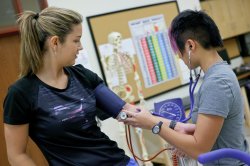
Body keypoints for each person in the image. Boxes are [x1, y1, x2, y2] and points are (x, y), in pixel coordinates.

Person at [3, 7, 138, 166]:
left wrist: (166, 125)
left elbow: (125, 110)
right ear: (55, 42)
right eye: (76, 40)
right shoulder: (21, 93)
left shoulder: (83, 76)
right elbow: (16, 155)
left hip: (118, 162)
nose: (80, 47)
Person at [122, 10, 249, 165]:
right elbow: (211, 131)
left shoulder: (217, 83)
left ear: (190, 45)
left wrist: (154, 125)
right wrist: (170, 125)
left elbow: (199, 149)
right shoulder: (218, 74)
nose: (179, 57)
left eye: (178, 51)